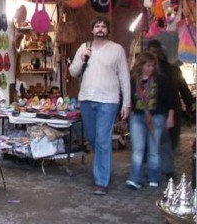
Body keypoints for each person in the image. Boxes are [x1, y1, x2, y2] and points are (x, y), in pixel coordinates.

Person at [69, 15, 131, 195]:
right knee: (93, 138)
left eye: (103, 26)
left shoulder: (117, 49)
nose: (100, 29)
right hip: (87, 99)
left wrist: (126, 103)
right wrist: (81, 58)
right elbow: (73, 72)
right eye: (97, 26)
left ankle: (101, 180)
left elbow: (125, 78)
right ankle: (101, 165)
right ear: (92, 30)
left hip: (108, 100)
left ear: (108, 30)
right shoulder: (84, 47)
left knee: (103, 140)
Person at [125, 52, 176, 190]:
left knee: (154, 148)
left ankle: (154, 177)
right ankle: (135, 178)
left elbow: (170, 99)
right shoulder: (133, 80)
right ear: (141, 66)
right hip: (137, 116)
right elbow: (128, 98)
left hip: (157, 116)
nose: (150, 68)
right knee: (138, 148)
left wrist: (170, 116)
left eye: (153, 66)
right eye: (148, 65)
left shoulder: (161, 80)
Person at [146, 39, 194, 178]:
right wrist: (189, 105)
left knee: (165, 140)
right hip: (165, 108)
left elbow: (183, 88)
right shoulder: (172, 69)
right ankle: (166, 169)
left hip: (166, 109)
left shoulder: (171, 70)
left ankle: (162, 168)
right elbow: (184, 89)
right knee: (168, 141)